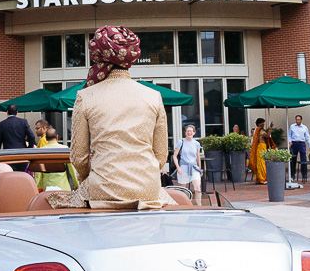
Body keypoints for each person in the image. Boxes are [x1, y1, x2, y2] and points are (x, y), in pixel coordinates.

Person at [48, 26, 169, 210]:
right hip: (148, 189)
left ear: (98, 57)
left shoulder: (85, 96)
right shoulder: (153, 96)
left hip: (103, 189)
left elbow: (78, 158)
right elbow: (160, 155)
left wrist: (92, 177)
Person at [173, 124, 203, 194]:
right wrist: (178, 168)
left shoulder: (196, 143)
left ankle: (199, 204)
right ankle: (185, 204)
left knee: (198, 188)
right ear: (185, 132)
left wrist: (199, 168)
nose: (189, 133)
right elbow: (174, 156)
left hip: (194, 168)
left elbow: (198, 156)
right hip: (183, 167)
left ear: (194, 132)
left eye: (191, 131)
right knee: (183, 190)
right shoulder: (181, 142)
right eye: (187, 131)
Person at [288, 115, 310, 181]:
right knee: (293, 159)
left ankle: (304, 174)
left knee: (303, 159)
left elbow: (307, 137)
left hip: (301, 143)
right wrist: (289, 142)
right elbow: (289, 135)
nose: (297, 121)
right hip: (294, 143)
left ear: (301, 120)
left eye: (298, 120)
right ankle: (292, 175)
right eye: (296, 119)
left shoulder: (304, 127)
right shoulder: (292, 126)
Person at [248, 118, 272, 184]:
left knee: (259, 163)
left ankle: (259, 178)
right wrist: (270, 128)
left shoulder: (257, 130)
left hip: (260, 147)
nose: (263, 124)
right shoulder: (260, 130)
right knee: (261, 163)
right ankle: (262, 179)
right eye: (262, 123)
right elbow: (267, 136)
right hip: (261, 147)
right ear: (259, 124)